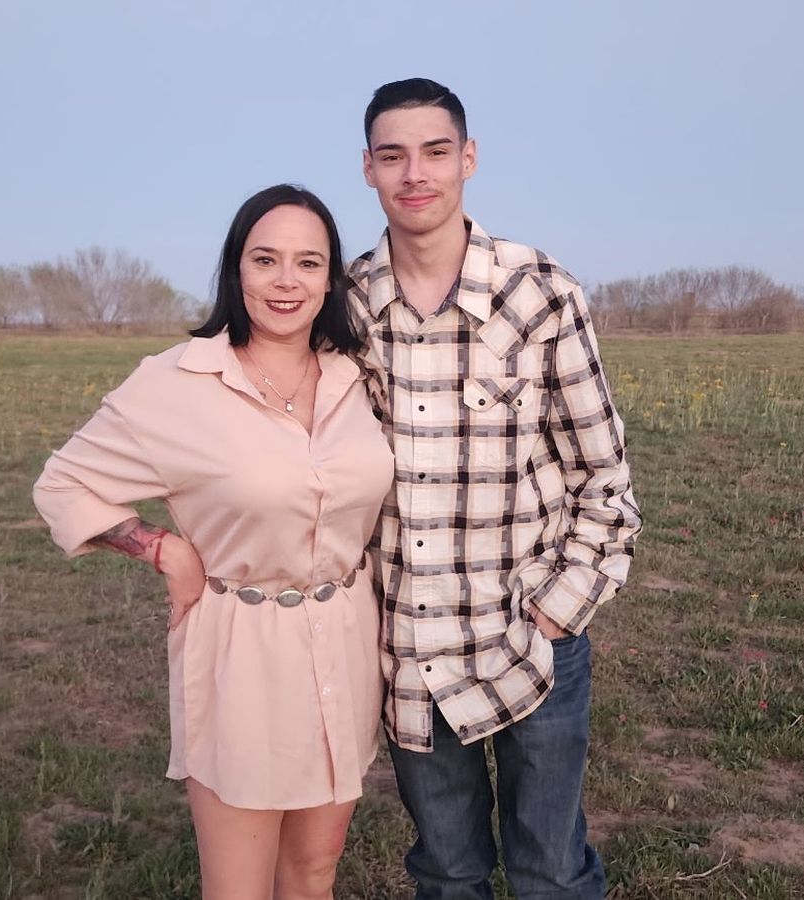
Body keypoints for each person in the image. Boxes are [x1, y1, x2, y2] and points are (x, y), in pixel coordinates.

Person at [33, 184, 395, 900]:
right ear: (235, 269)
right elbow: (63, 483)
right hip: (242, 653)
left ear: (331, 279)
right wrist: (160, 549)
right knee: (238, 889)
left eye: (308, 262)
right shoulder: (178, 382)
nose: (286, 281)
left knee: (313, 875)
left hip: (346, 644)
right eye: (265, 260)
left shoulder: (358, 375)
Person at [347, 78, 643, 899]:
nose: (416, 173)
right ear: (367, 168)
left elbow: (604, 480)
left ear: (468, 158)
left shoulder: (539, 291)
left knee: (551, 871)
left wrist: (556, 612)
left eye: (436, 152)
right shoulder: (348, 305)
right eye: (393, 156)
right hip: (410, 648)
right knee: (447, 873)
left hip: (529, 638)